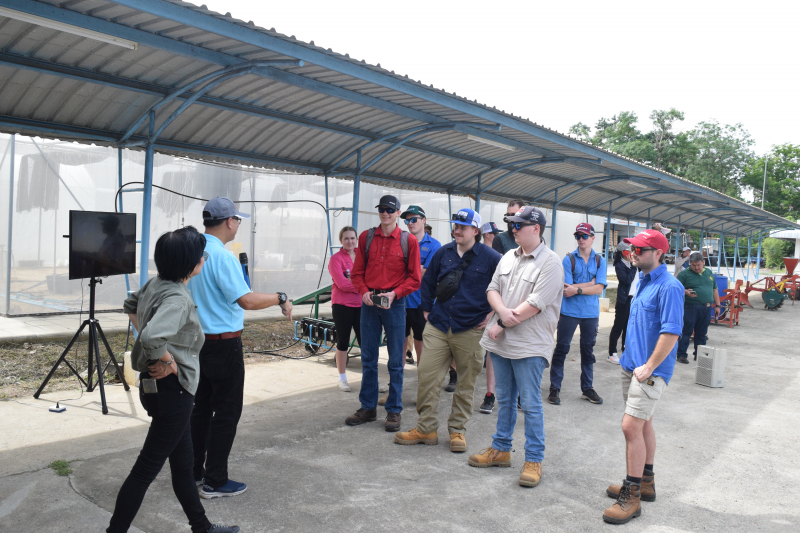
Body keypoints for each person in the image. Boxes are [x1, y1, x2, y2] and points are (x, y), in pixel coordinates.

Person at [108, 226, 239, 533]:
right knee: (145, 470)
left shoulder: (157, 283)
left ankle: (202, 526)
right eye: (202, 255)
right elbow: (152, 337)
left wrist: (156, 351)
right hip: (172, 392)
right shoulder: (178, 299)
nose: (204, 259)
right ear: (191, 264)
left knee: (183, 465)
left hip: (160, 390)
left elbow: (131, 305)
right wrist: (167, 360)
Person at [189, 197, 293, 499]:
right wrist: (279, 297)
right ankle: (215, 480)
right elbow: (246, 300)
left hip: (197, 344)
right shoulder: (223, 257)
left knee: (200, 410)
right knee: (226, 412)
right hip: (224, 345)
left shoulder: (193, 251)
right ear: (229, 222)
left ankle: (194, 472)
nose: (237, 224)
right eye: (237, 220)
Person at [468, 206, 564, 488]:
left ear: (536, 228)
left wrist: (502, 322)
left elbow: (535, 303)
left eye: (519, 225)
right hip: (502, 343)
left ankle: (534, 459)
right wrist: (502, 313)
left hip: (529, 345)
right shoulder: (509, 256)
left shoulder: (551, 262)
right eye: (513, 224)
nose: (513, 229)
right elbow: (492, 289)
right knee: (505, 399)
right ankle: (501, 449)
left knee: (530, 404)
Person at [394, 208, 501, 452]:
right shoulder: (444, 252)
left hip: (471, 329)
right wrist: (426, 310)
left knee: (466, 382)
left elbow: (505, 287)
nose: (457, 230)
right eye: (456, 226)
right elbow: (428, 282)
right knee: (427, 375)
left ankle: (457, 431)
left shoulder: (492, 258)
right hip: (439, 325)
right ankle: (426, 428)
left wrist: (492, 315)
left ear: (475, 230)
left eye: (463, 227)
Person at [603, 229, 683, 525]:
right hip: (632, 365)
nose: (633, 253)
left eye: (640, 249)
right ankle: (645, 483)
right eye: (632, 248)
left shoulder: (670, 287)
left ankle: (632, 496)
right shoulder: (643, 279)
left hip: (649, 372)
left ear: (659, 253)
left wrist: (649, 367)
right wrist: (629, 361)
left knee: (630, 427)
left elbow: (671, 332)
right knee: (644, 422)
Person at [346, 195, 421, 432]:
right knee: (368, 358)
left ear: (398, 213)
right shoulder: (366, 237)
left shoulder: (408, 241)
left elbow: (415, 279)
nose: (385, 213)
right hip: (369, 304)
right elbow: (357, 273)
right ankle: (368, 407)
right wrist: (363, 292)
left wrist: (395, 294)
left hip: (395, 305)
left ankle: (394, 410)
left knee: (396, 361)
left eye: (390, 210)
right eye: (382, 209)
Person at [548, 223, 607, 406]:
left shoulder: (600, 261)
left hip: (590, 313)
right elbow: (567, 289)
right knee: (562, 348)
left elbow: (599, 288)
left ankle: (587, 388)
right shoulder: (568, 259)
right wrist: (591, 284)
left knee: (588, 351)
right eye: (578, 236)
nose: (581, 239)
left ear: (592, 238)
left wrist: (579, 289)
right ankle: (554, 388)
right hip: (569, 312)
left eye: (584, 236)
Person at [400, 205, 441, 368]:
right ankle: (397, 376)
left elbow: (426, 273)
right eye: (407, 221)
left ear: (423, 220)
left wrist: (406, 269)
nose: (410, 223)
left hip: (421, 302)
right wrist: (419, 267)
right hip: (400, 300)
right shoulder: (400, 242)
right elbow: (394, 270)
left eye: (413, 219)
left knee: (421, 340)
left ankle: (422, 376)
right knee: (400, 340)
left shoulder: (434, 245)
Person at [328, 226, 362, 391]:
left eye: (352, 238)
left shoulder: (362, 257)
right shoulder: (336, 259)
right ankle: (342, 378)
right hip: (342, 305)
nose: (350, 241)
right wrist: (363, 286)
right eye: (346, 238)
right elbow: (341, 284)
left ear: (357, 239)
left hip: (362, 305)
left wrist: (358, 284)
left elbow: (371, 277)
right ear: (341, 240)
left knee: (366, 342)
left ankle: (371, 378)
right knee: (343, 341)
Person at [676, 251, 720, 364]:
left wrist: (718, 305)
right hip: (690, 307)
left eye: (698, 265)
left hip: (706, 308)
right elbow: (674, 289)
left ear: (703, 262)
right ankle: (681, 355)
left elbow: (715, 290)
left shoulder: (709, 272)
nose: (696, 268)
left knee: (701, 333)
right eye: (693, 265)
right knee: (686, 331)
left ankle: (699, 355)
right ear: (690, 263)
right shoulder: (684, 275)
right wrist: (686, 292)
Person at [478, 221, 502, 413]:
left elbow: (501, 289)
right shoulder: (475, 254)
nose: (497, 236)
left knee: (493, 353)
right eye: (494, 233)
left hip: (493, 312)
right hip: (475, 313)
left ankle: (491, 394)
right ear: (486, 235)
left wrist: (491, 313)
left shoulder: (499, 257)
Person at [608, 242, 637, 364]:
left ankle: (625, 350)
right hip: (624, 300)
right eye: (629, 250)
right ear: (623, 252)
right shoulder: (619, 265)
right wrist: (633, 266)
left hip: (633, 299)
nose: (631, 253)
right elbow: (627, 280)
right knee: (618, 326)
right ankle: (612, 353)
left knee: (628, 327)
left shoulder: (635, 263)